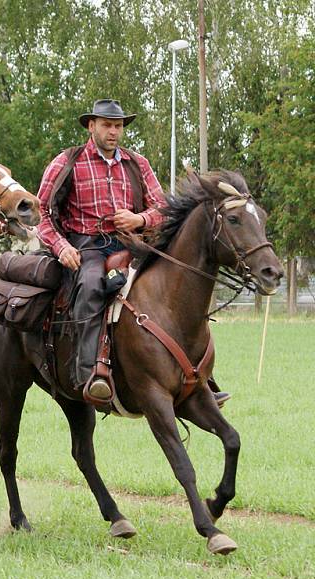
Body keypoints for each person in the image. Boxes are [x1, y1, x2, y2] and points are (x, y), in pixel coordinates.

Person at [36, 98, 230, 405]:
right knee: (89, 286)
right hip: (87, 246)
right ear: (91, 126)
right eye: (107, 125)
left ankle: (198, 377)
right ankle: (90, 374)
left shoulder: (137, 163)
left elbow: (162, 208)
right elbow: (41, 213)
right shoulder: (67, 161)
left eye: (118, 126)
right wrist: (62, 247)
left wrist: (139, 219)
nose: (113, 132)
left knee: (174, 287)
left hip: (134, 244)